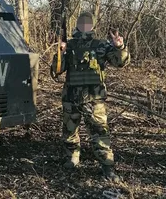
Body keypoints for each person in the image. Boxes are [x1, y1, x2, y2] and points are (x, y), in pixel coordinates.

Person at [52, 12, 130, 182]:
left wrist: (119, 47)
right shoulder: (69, 45)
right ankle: (72, 157)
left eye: (88, 23)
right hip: (71, 97)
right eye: (82, 23)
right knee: (70, 131)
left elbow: (120, 62)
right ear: (77, 25)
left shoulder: (101, 45)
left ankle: (107, 166)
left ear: (93, 26)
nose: (85, 26)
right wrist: (60, 52)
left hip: (94, 99)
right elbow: (57, 70)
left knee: (100, 133)